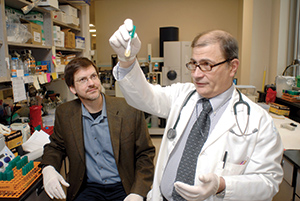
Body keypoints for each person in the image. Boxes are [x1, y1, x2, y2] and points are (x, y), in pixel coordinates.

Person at [109, 19, 284, 201]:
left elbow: (268, 182)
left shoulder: (258, 121)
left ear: (232, 67)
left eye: (207, 65)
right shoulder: (183, 95)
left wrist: (222, 185)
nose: (197, 74)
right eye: (194, 63)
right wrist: (127, 60)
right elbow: (144, 97)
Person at [40, 57, 155, 201]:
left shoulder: (129, 110)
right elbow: (56, 146)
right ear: (72, 88)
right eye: (83, 80)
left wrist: (138, 192)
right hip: (87, 188)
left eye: (93, 76)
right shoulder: (65, 113)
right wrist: (48, 168)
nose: (91, 83)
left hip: (124, 187)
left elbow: (145, 154)